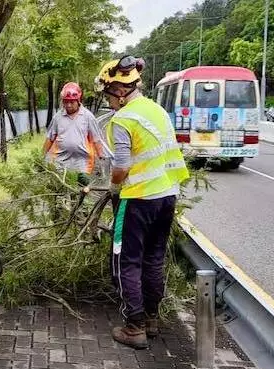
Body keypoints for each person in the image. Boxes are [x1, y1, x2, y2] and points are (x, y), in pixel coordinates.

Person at [94, 56, 189, 349]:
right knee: (154, 258)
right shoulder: (157, 111)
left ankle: (133, 327)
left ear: (121, 91)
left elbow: (121, 166)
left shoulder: (123, 119)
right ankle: (151, 319)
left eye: (109, 95)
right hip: (166, 197)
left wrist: (112, 186)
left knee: (126, 260)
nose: (108, 102)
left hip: (138, 200)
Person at [43, 82, 109, 185]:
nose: (68, 105)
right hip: (61, 162)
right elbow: (50, 138)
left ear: (78, 101)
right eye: (66, 102)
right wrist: (41, 156)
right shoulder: (58, 117)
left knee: (81, 190)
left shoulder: (88, 117)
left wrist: (101, 158)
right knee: (61, 189)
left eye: (72, 102)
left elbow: (96, 139)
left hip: (82, 162)